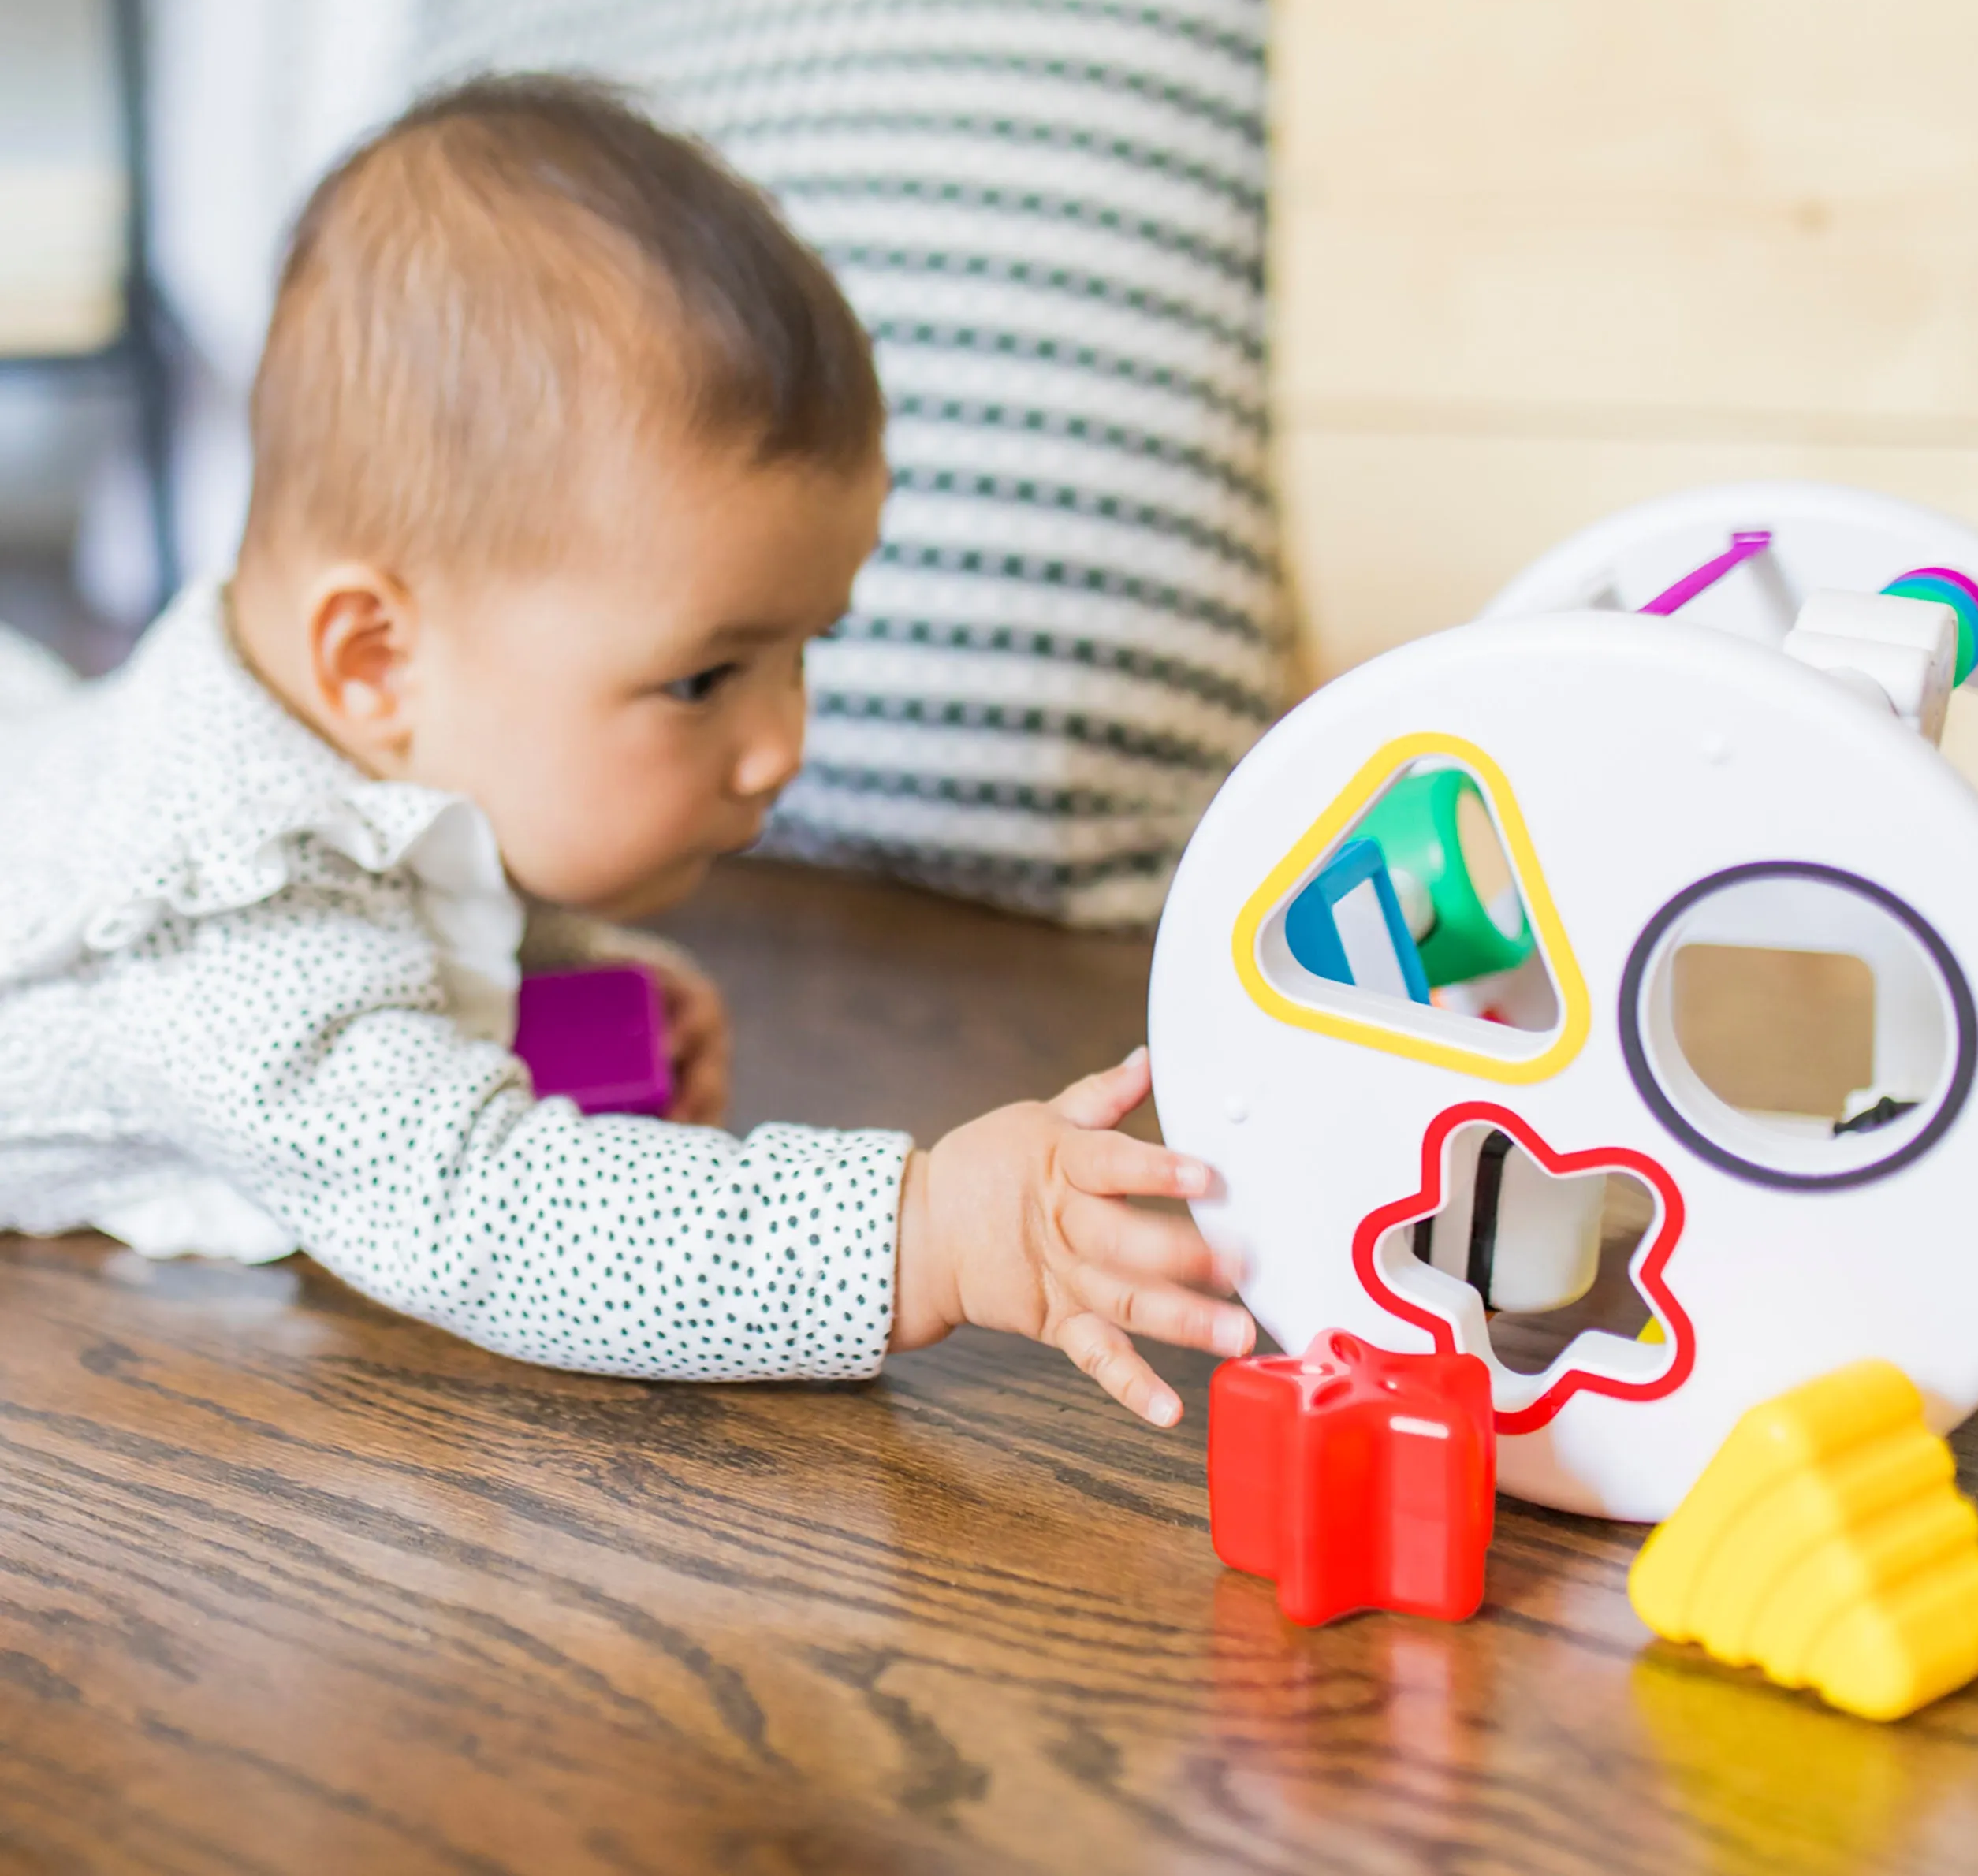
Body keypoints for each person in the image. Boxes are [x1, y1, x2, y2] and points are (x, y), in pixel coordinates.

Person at [0, 75, 1250, 1427]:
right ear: (375, 660)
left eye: (804, 650)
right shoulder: (222, 930)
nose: (782, 744)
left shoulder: (335, 738)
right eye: (705, 676)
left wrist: (564, 970)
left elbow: (421, 860)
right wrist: (927, 1229)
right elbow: (488, 1216)